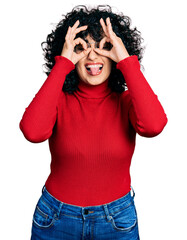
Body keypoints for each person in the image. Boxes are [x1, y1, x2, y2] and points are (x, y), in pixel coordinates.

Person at [19, 4, 168, 240]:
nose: (92, 56)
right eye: (82, 47)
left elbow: (154, 126)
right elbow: (32, 132)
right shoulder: (57, 100)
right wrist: (63, 64)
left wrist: (125, 60)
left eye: (103, 47)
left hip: (116, 221)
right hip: (55, 219)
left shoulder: (128, 101)